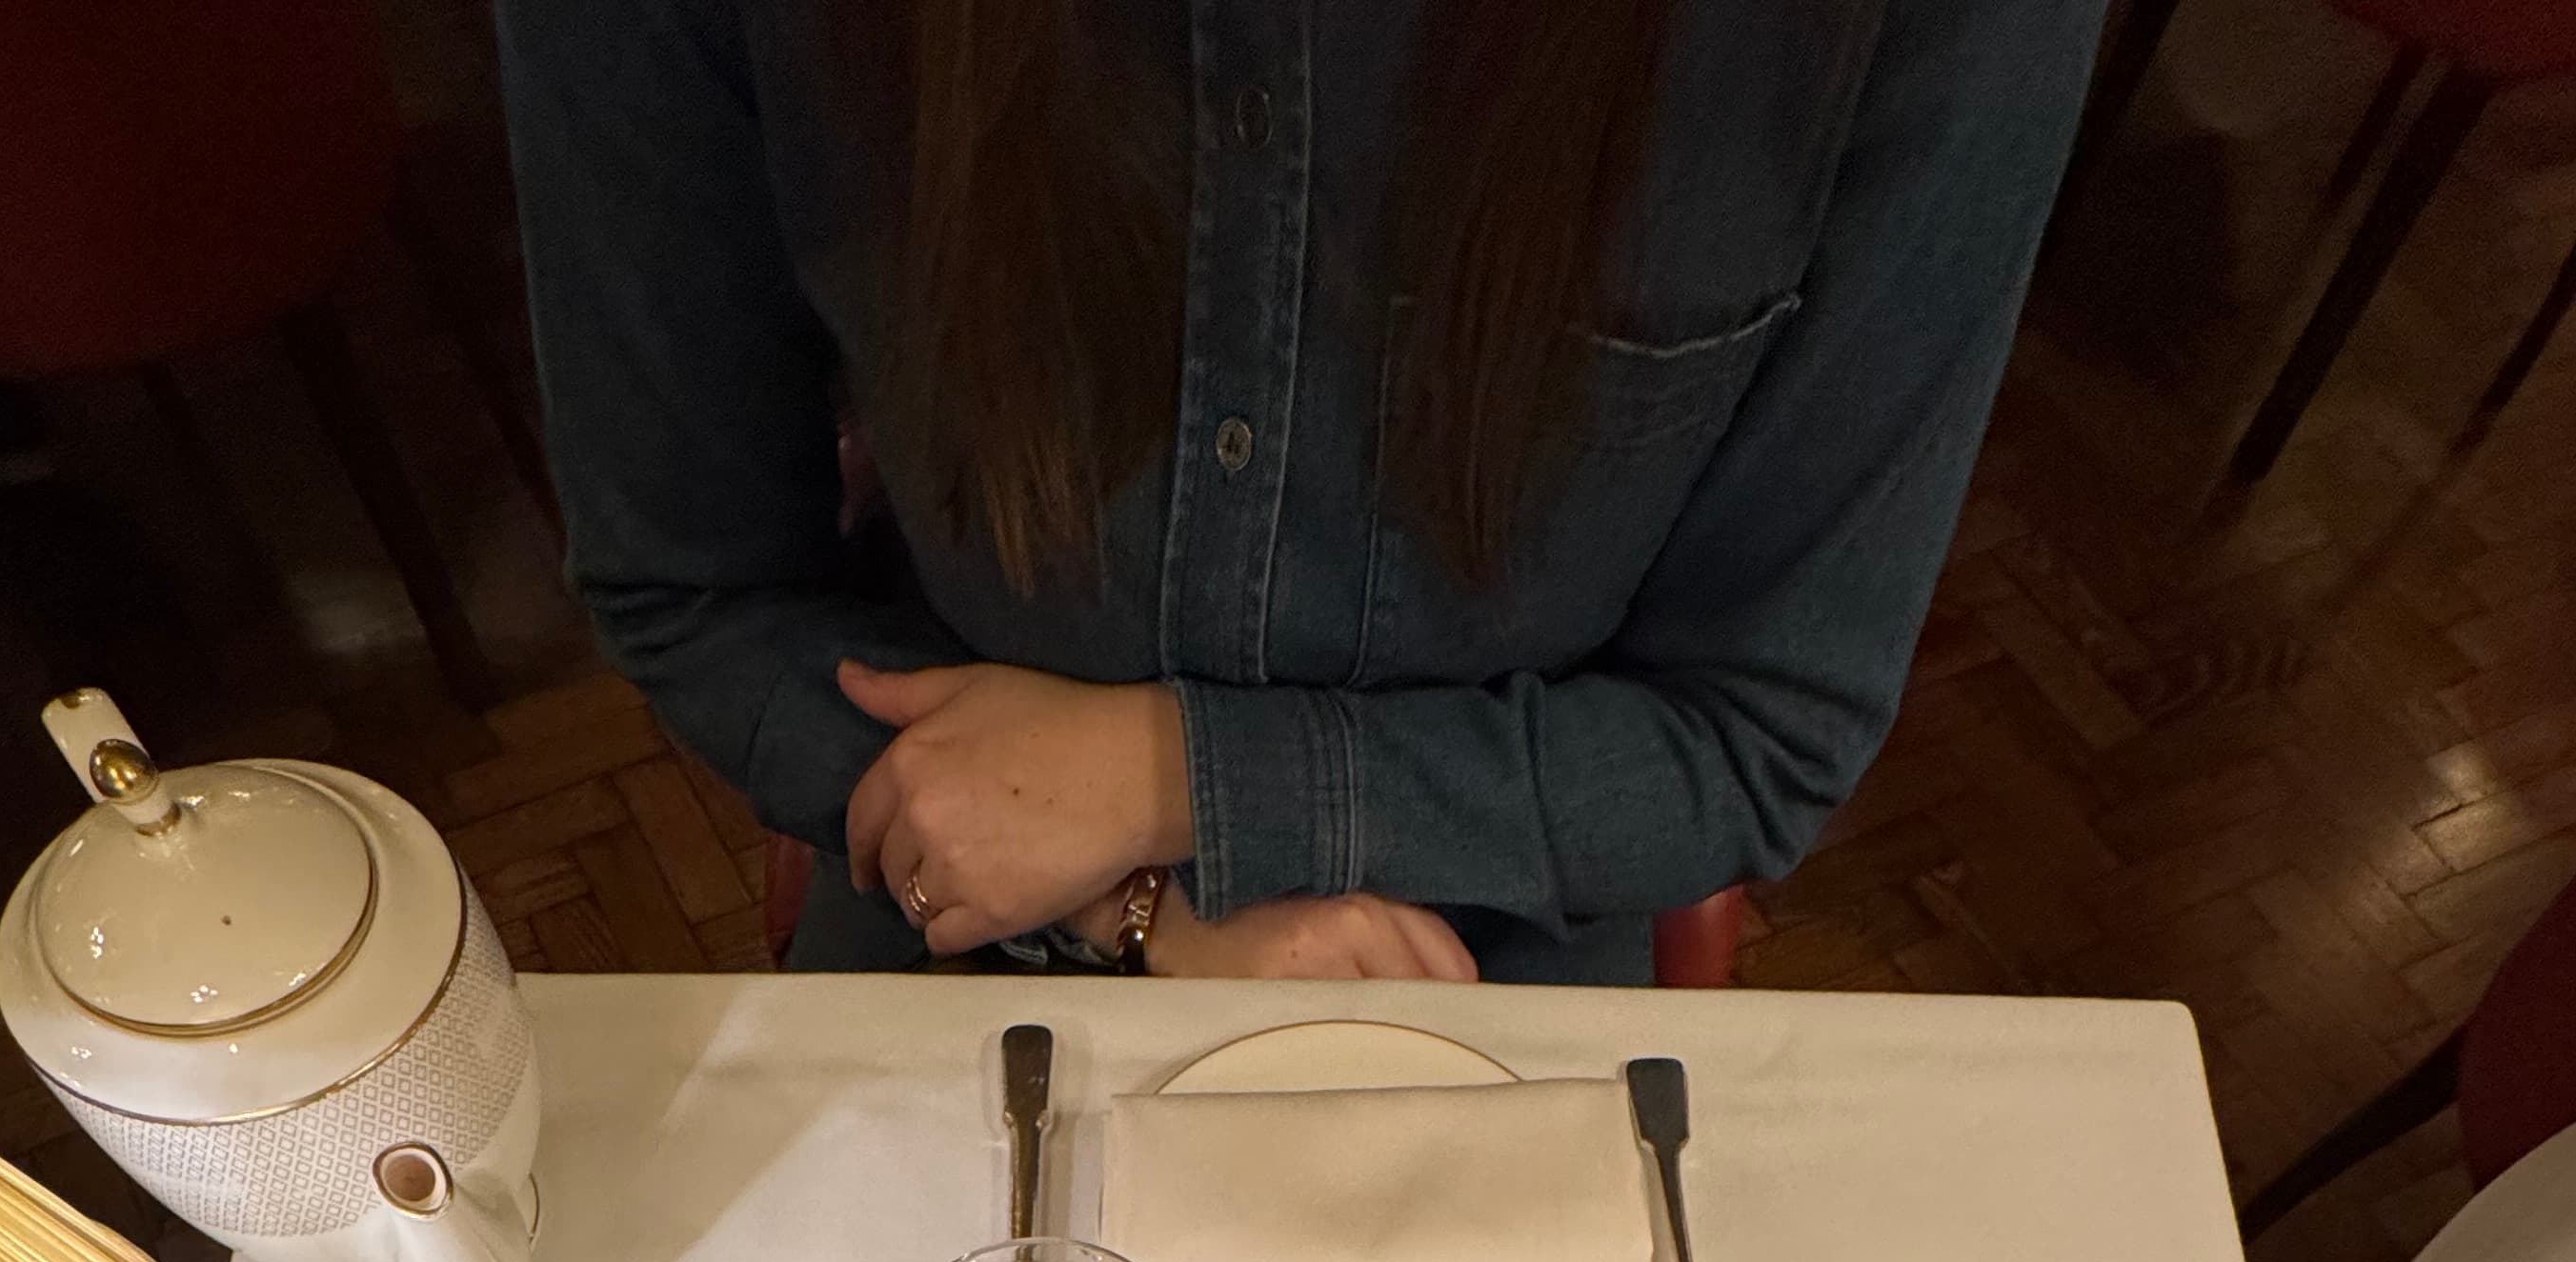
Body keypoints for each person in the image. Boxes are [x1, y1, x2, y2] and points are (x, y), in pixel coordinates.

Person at [493, 0, 2102, 984]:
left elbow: (1763, 730)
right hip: (960, 865)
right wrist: (1138, 908)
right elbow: (693, 584)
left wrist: (1172, 779)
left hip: (1509, 905)